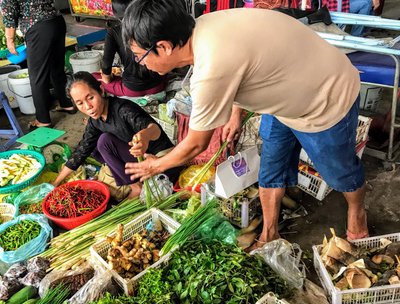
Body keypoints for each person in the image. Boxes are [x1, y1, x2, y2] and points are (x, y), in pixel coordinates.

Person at [122, 1, 368, 249]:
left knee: (339, 171)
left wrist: (156, 165)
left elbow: (196, 143)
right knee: (270, 167)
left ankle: (357, 210)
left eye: (138, 55)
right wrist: (235, 112)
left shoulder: (210, 67)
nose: (139, 63)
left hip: (326, 97)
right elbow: (247, 63)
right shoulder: (206, 25)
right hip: (284, 96)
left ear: (163, 47)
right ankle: (269, 234)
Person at [51, 72, 179, 200]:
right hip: (138, 163)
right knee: (92, 147)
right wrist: (56, 182)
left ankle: (136, 187)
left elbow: (154, 128)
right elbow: (81, 151)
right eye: (80, 103)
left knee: (105, 141)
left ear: (101, 90)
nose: (88, 107)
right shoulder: (95, 121)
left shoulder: (122, 109)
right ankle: (123, 176)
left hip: (160, 164)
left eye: (90, 98)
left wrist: (145, 136)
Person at [0, 0, 74, 130]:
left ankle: (43, 119)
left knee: (37, 76)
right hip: (56, 21)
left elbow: (10, 12)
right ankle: (67, 103)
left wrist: (9, 39)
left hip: (37, 27)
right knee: (56, 69)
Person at [92, 0, 165, 98]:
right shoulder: (151, 25)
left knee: (93, 76)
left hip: (132, 90)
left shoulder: (114, 33)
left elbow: (106, 65)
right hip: (158, 86)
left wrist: (107, 78)